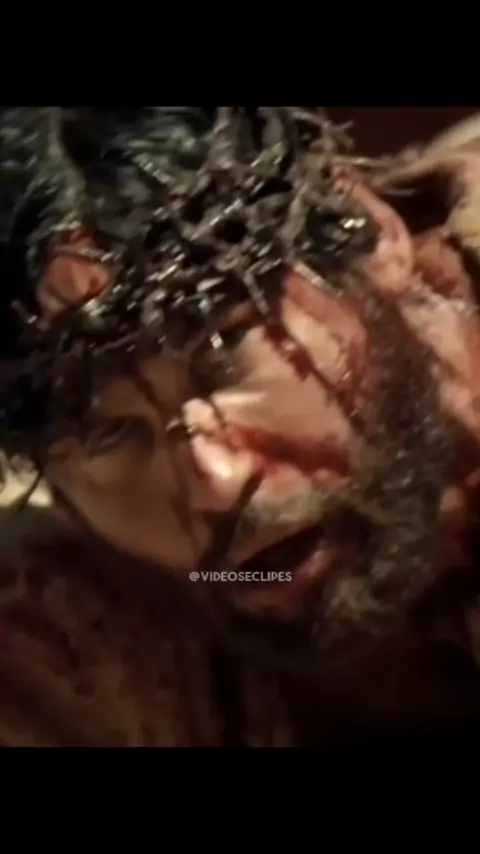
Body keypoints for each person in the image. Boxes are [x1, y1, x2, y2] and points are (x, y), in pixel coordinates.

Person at [1, 106, 480, 746]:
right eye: (107, 434)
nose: (217, 485)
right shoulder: (70, 635)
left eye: (224, 349)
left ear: (364, 233)